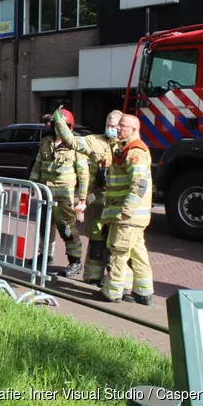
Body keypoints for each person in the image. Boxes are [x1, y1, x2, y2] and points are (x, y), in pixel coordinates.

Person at [54, 109, 129, 288]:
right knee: (96, 240)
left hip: (119, 203)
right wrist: (59, 120)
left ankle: (118, 283)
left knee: (117, 244)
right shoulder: (94, 141)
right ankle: (93, 277)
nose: (111, 129)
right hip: (98, 199)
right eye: (108, 125)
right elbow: (71, 141)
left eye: (114, 126)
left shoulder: (127, 146)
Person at [97, 114, 154, 305]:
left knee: (118, 251)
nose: (118, 128)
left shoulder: (135, 152)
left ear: (134, 130)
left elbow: (139, 185)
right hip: (136, 217)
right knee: (138, 252)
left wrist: (126, 211)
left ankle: (111, 292)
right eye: (118, 125)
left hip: (128, 216)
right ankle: (143, 293)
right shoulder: (126, 149)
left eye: (123, 126)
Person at [30, 109, 89, 276]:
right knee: (45, 227)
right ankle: (45, 256)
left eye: (64, 126)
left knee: (67, 229)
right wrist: (32, 185)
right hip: (45, 193)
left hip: (64, 197)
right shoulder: (46, 141)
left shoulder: (76, 145)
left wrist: (82, 199)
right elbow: (38, 164)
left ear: (69, 127)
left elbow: (83, 174)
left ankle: (75, 261)